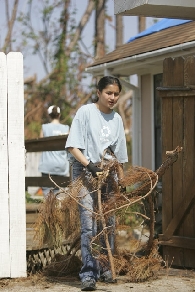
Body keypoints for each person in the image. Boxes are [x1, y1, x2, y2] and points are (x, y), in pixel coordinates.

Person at [65, 76, 128, 291]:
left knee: (108, 223)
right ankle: (88, 273)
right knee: (89, 224)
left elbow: (118, 156)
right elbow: (73, 146)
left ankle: (105, 267)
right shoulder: (85, 112)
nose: (112, 97)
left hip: (107, 174)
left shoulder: (117, 119)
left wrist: (122, 179)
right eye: (108, 93)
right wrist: (90, 166)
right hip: (84, 172)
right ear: (99, 92)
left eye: (116, 94)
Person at [38, 105, 70, 197]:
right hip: (62, 166)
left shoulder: (44, 127)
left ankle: (49, 209)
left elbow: (39, 145)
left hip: (47, 165)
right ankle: (56, 209)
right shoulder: (66, 128)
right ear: (59, 115)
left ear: (49, 115)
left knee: (47, 192)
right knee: (58, 193)